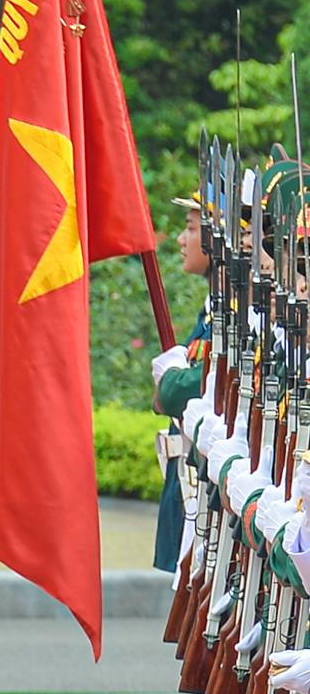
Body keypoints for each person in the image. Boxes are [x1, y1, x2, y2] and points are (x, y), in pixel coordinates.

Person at [150, 188, 213, 573]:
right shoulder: (214, 310)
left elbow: (177, 392)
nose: (180, 239)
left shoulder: (242, 315)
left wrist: (172, 380)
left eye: (191, 228)